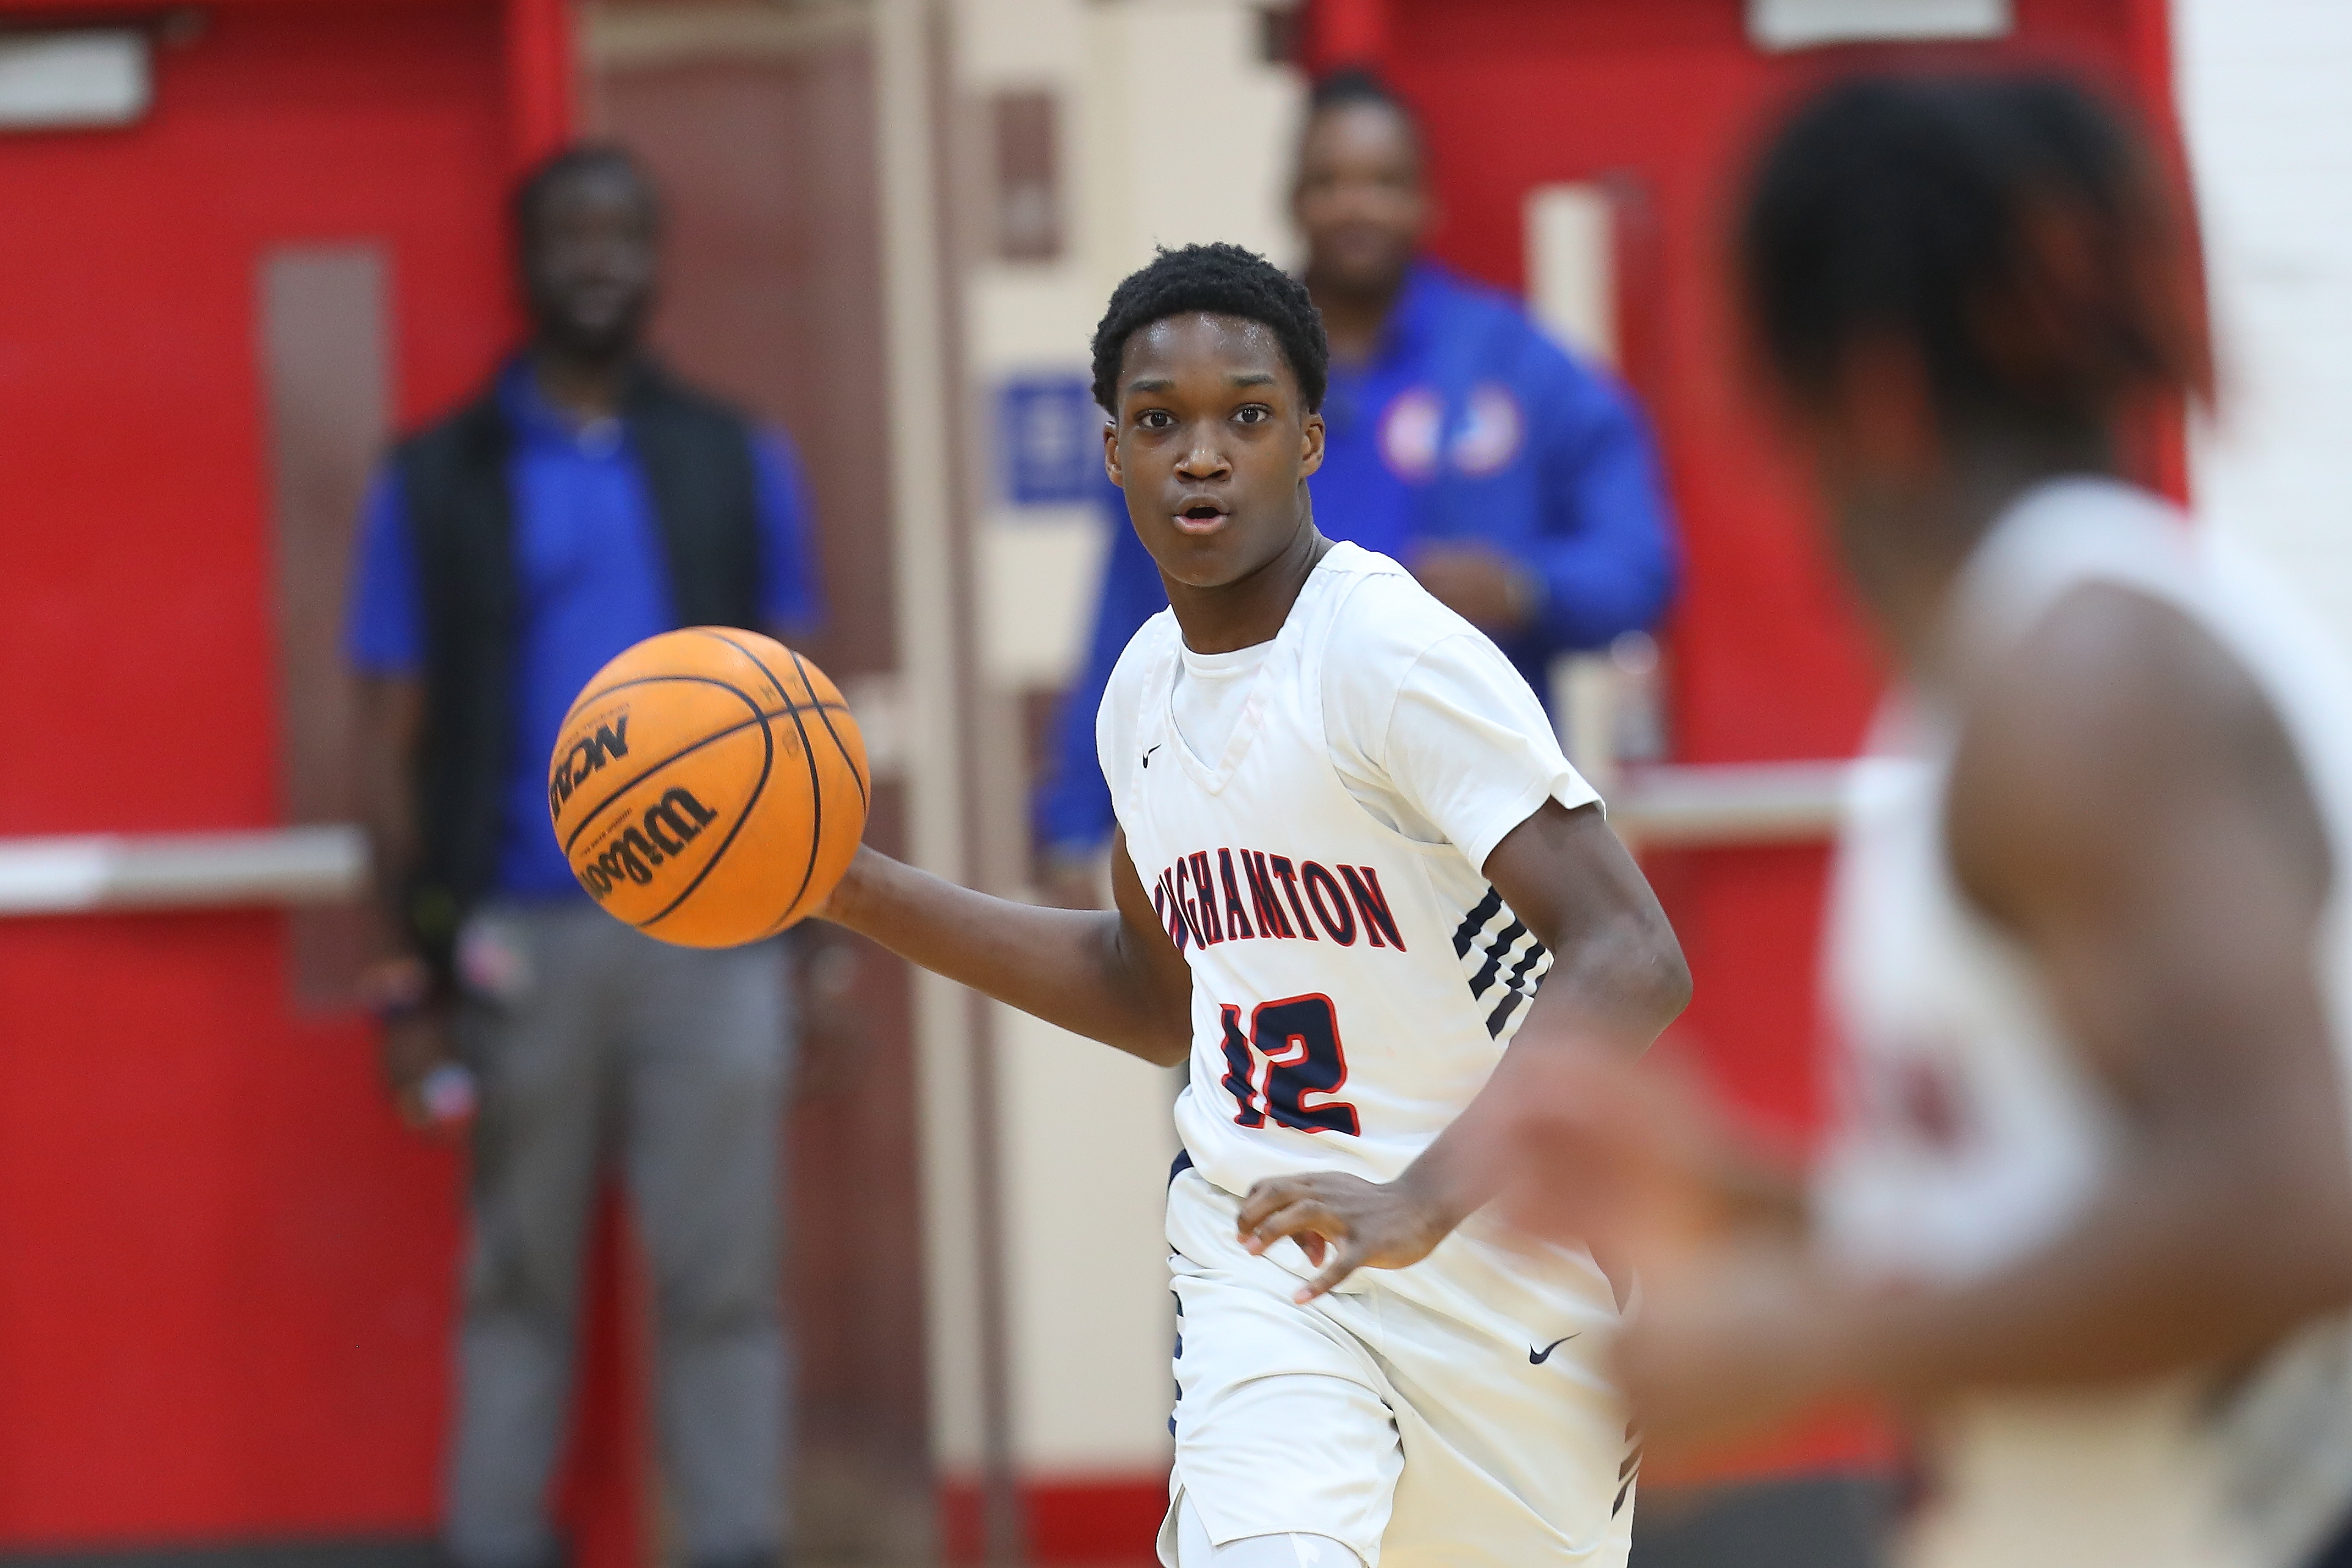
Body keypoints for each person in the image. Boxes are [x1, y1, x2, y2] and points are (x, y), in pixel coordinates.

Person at [1495, 75, 2352, 1568]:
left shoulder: (2086, 679)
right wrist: (1735, 1189)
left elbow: (2282, 1197)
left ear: (1869, 390)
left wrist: (1811, 1340)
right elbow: (2073, 1211)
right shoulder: (2026, 668)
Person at [814, 241, 1690, 1567]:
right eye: (1160, 421)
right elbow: (1147, 987)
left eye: (1247, 416)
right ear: (1111, 452)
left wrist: (1420, 1194)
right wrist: (849, 882)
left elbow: (1630, 953)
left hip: (1501, 1264)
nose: (1202, 454)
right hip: (1268, 1260)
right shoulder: (1136, 698)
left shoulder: (1386, 656)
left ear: (1310, 442)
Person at [345, 144, 824, 1568]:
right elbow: (387, 732)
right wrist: (398, 968)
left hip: (716, 946)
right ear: (526, 259)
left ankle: (734, 1540)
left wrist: (819, 941)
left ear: (657, 257)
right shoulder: (437, 474)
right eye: (570, 234)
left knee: (727, 1285)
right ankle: (495, 1541)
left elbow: (796, 708)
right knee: (517, 1284)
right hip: (516, 942)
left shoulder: (734, 457)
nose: (598, 259)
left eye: (625, 232)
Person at [1033, 70, 1677, 889]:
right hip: (1263, 834)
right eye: (1329, 182)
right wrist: (1074, 818)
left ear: (1427, 202)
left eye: (1383, 183)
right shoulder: (1220, 371)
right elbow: (1125, 611)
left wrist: (1523, 587)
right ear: (1292, 197)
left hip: (1472, 830)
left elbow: (1640, 566)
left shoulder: (1516, 365)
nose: (1355, 207)